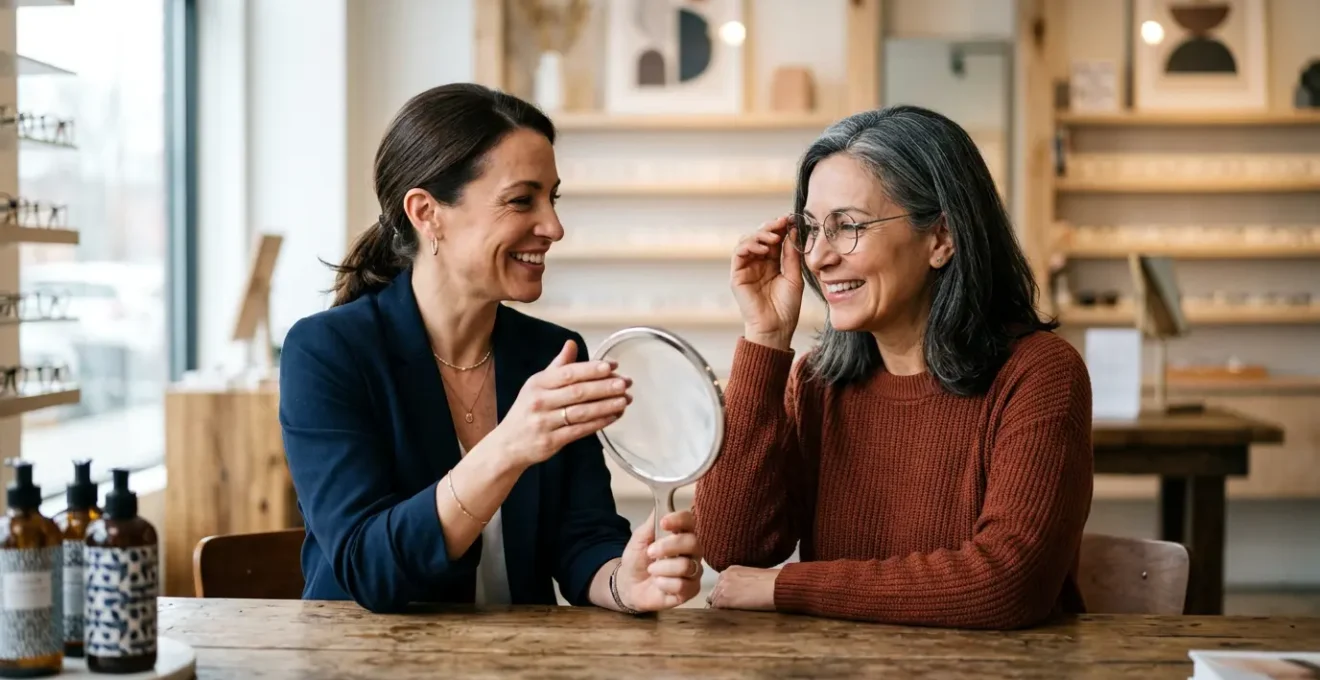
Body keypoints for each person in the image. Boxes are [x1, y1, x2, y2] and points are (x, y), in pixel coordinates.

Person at [278, 83, 704, 614]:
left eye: (553, 198)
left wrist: (624, 580)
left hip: (517, 663)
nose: (553, 226)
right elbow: (369, 568)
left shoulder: (554, 351)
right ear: (426, 212)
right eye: (522, 200)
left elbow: (582, 538)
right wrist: (509, 445)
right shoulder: (327, 353)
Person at [694, 105, 1094, 629]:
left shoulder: (1039, 374)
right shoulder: (818, 382)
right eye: (812, 229)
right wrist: (765, 341)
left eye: (848, 227)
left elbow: (1006, 583)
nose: (817, 257)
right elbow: (732, 545)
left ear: (941, 239)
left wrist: (785, 586)